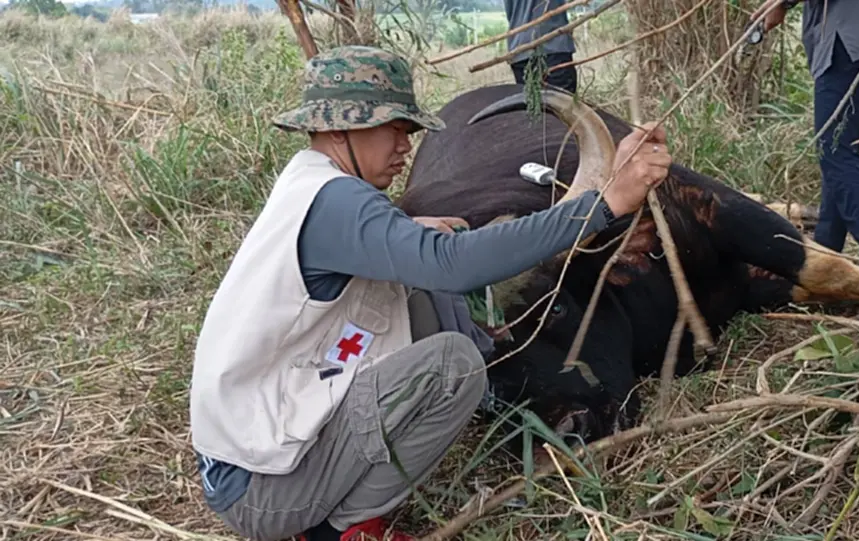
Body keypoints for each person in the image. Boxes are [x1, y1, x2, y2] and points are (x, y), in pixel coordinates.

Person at [187, 45, 671, 541]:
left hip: (244, 461)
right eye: (393, 129)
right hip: (261, 492)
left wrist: (408, 230)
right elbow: (451, 266)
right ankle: (341, 531)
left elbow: (385, 253)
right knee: (453, 364)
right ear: (339, 129)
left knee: (415, 291)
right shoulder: (339, 203)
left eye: (408, 132)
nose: (405, 146)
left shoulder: (310, 184)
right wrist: (604, 204)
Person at [750, 0, 859, 271]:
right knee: (835, 149)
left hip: (848, 41)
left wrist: (783, 5)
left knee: (836, 153)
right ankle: (825, 250)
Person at [503, 0, 578, 93]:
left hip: (519, 48)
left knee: (529, 104)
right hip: (553, 45)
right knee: (562, 103)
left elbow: (509, 11)